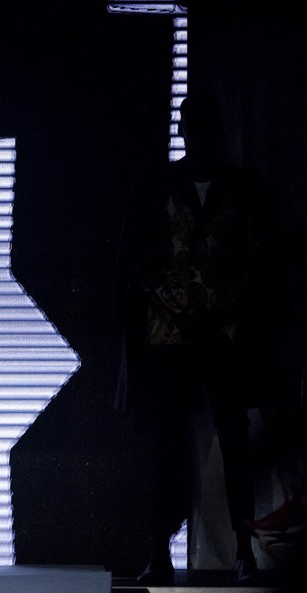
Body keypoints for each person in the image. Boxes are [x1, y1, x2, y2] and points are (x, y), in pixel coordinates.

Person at [113, 92, 281, 586]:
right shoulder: (157, 185)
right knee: (168, 447)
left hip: (225, 333)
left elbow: (264, 259)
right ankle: (160, 552)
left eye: (205, 124)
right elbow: (137, 263)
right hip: (171, 333)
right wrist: (172, 303)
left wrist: (229, 304)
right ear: (183, 129)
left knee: (233, 445)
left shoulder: (243, 187)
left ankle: (243, 551)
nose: (198, 133)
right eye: (192, 124)